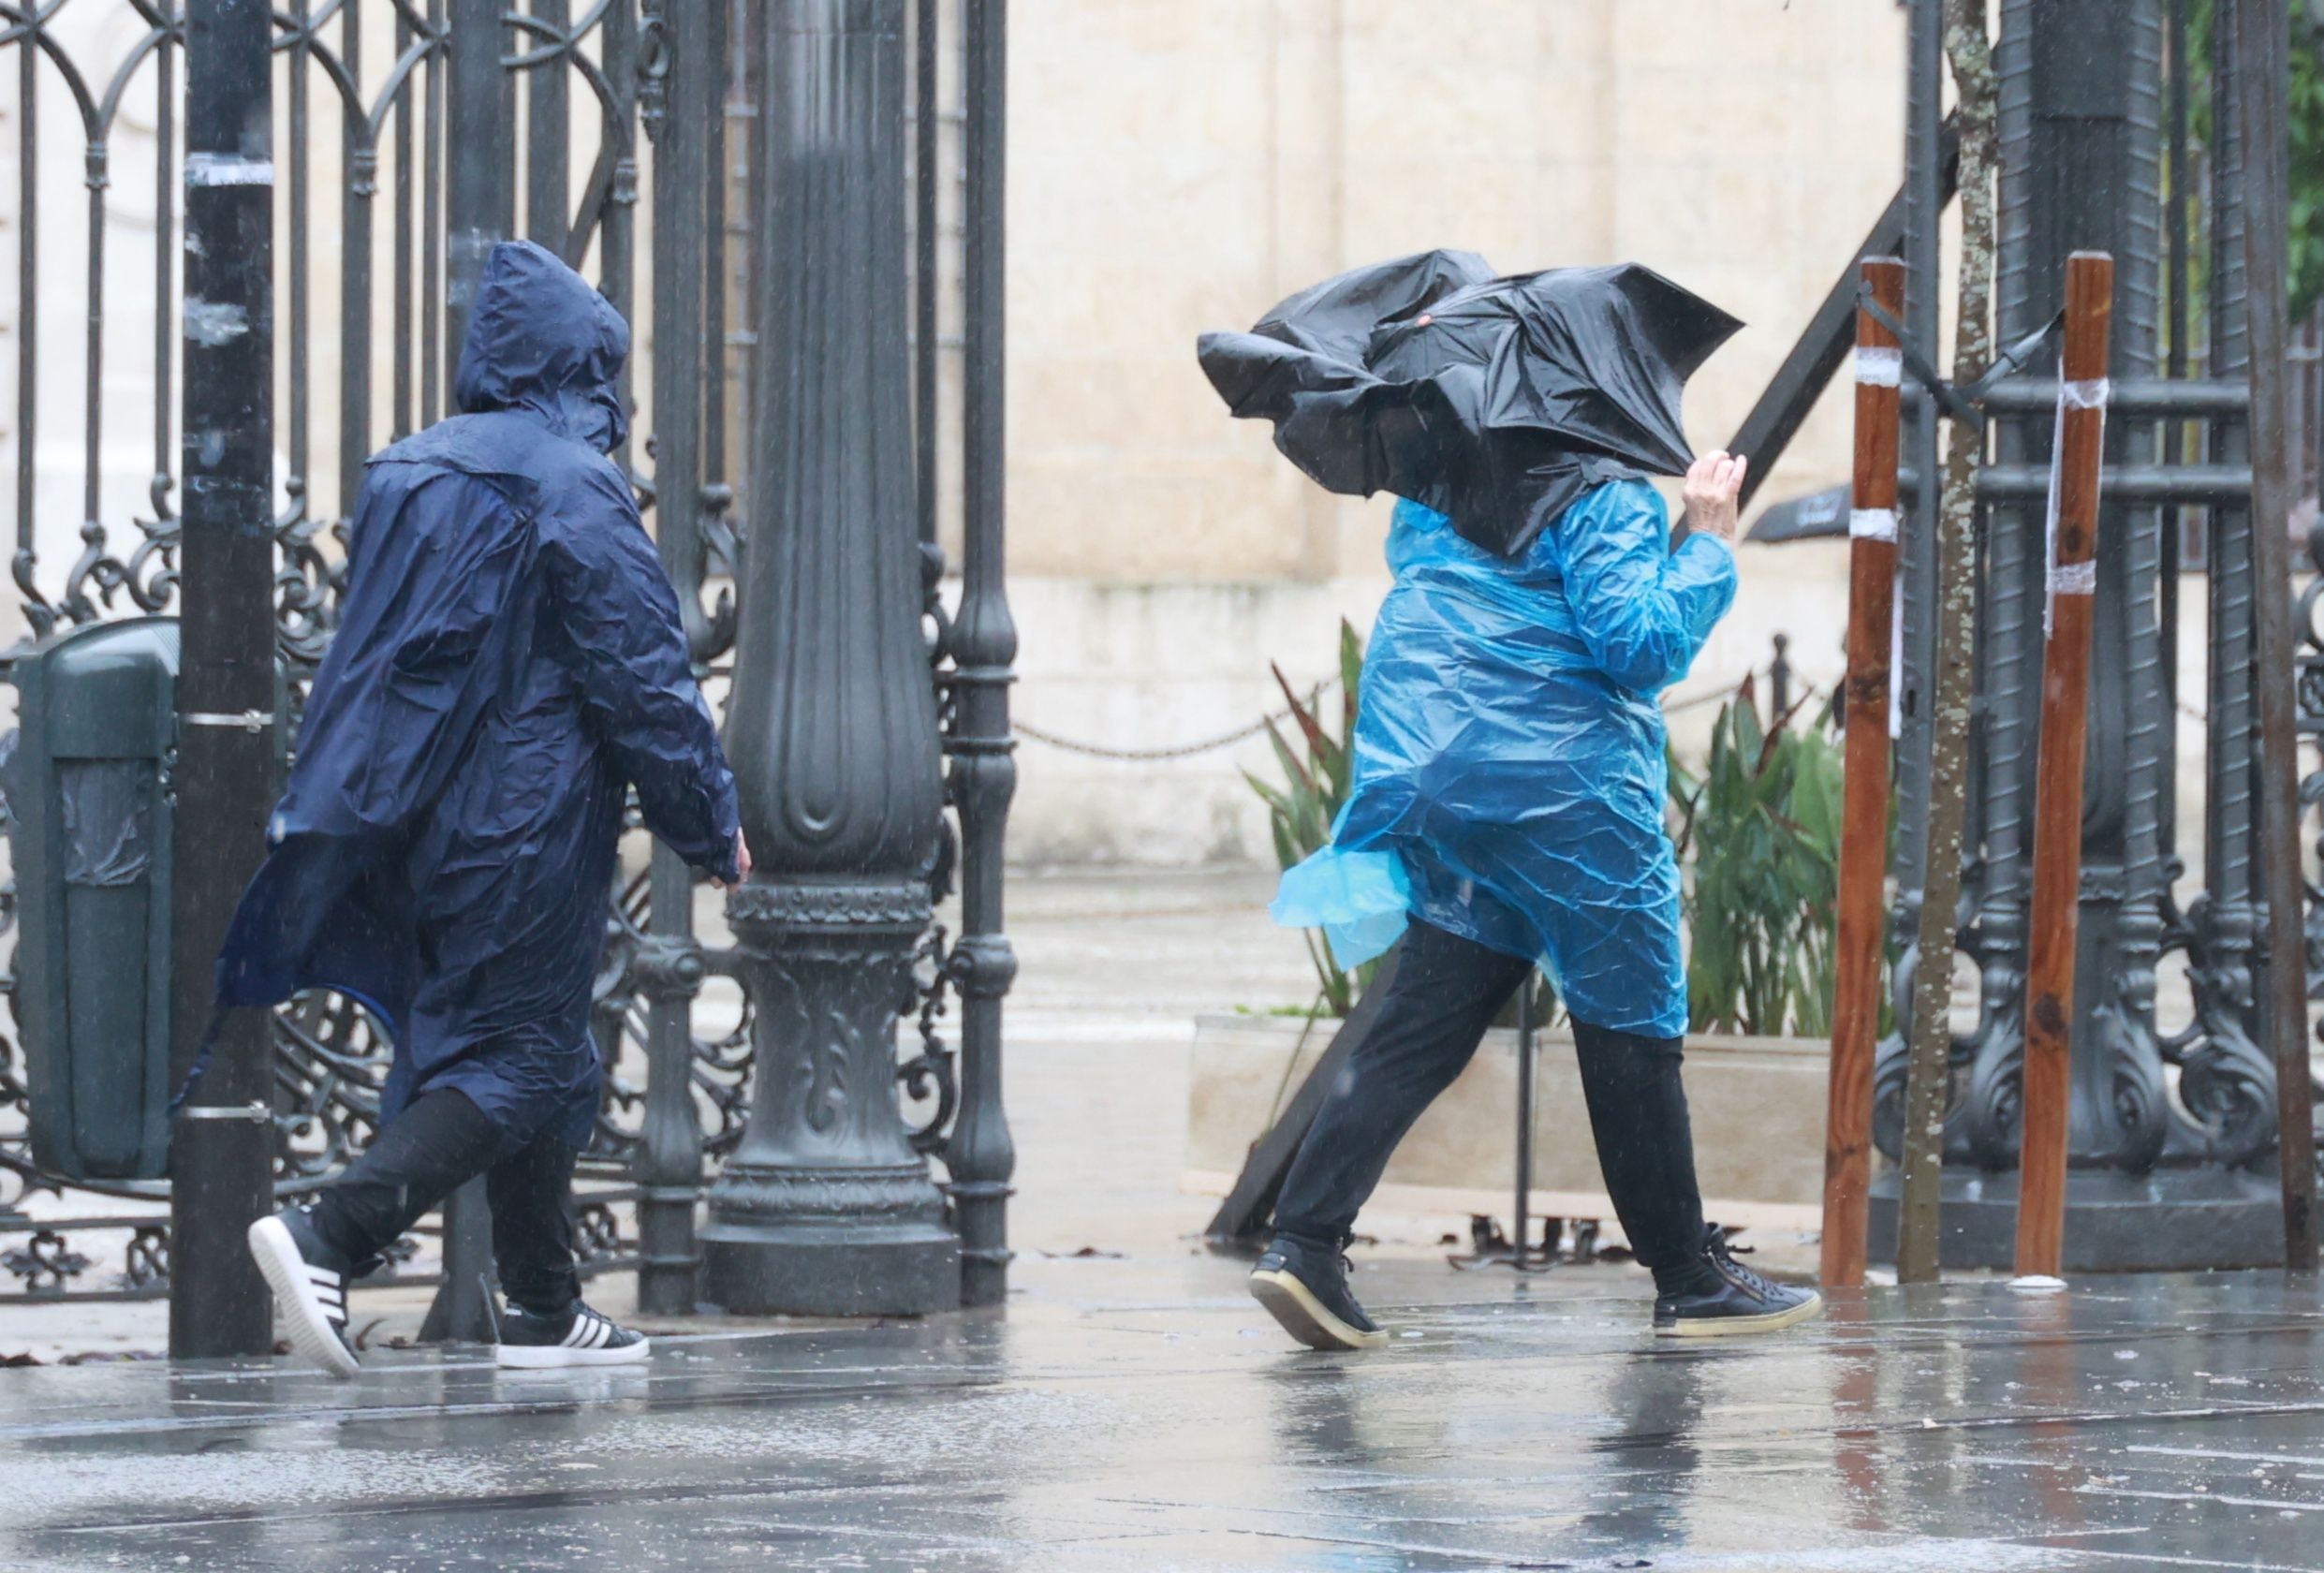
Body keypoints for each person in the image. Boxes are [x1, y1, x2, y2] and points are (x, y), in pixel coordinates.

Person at [212, 240, 746, 1377]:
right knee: (528, 1059)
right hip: (527, 821)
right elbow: (644, 677)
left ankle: (547, 1308)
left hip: (412, 811)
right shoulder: (569, 482)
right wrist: (707, 821)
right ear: (585, 366)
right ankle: (330, 1232)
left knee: (526, 1044)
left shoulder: (410, 471)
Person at [1247, 449, 1826, 1350]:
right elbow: (1638, 647)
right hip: (1571, 799)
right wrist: (1709, 542)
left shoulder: (1439, 480)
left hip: (1447, 782)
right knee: (1631, 1021)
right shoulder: (1600, 485)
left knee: (1429, 1013)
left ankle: (1304, 1241)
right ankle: (1686, 1277)